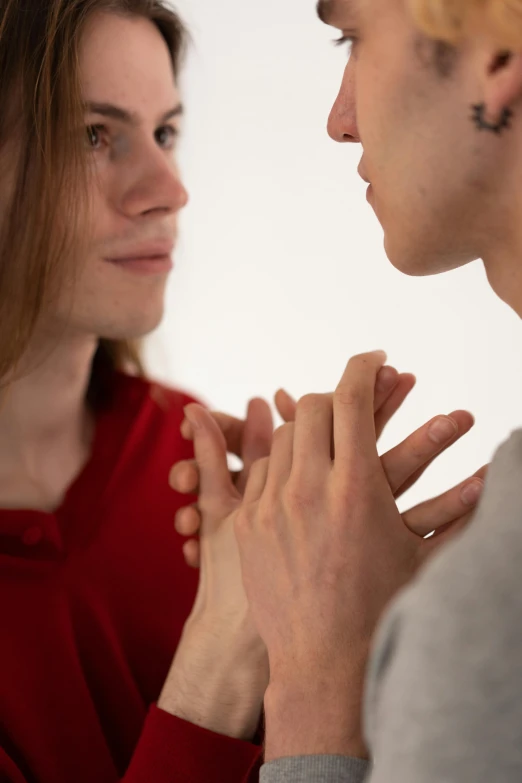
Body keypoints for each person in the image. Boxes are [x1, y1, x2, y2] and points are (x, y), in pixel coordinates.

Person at [0, 1, 486, 782]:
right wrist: (221, 653)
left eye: (165, 133)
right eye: (94, 136)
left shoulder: (191, 466)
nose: (169, 188)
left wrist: (358, 622)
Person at [172, 0, 522, 780]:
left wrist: (318, 683)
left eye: (353, 36)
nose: (338, 121)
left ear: (498, 57)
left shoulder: (491, 605)